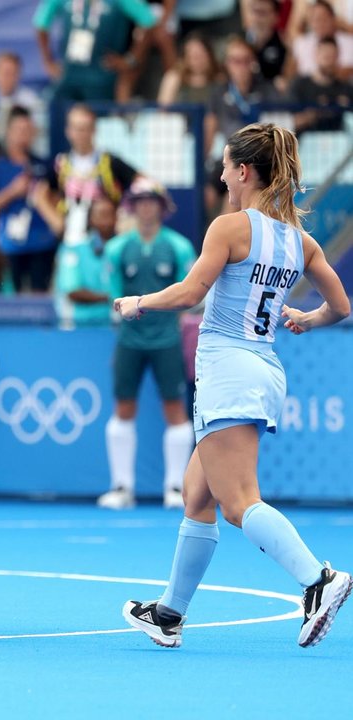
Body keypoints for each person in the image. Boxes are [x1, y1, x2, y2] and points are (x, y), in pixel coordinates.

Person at [117, 122, 351, 649]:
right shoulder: (300, 240)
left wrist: (138, 302)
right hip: (263, 369)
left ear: (243, 172)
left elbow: (190, 292)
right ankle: (170, 613)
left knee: (239, 502)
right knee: (197, 495)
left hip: (228, 368)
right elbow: (340, 307)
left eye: (225, 166)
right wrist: (305, 319)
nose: (221, 174)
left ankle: (318, 580)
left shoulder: (230, 227)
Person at [96, 180, 197, 510]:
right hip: (130, 339)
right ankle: (122, 486)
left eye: (151, 201)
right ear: (132, 206)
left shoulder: (179, 247)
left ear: (162, 206)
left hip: (168, 339)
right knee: (124, 408)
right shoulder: (118, 248)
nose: (146, 207)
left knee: (175, 410)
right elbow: (112, 292)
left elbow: (191, 294)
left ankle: (174, 488)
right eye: (139, 201)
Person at [0, 107, 56, 293]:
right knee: (11, 297)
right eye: (19, 130)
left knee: (39, 294)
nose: (23, 135)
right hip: (9, 245)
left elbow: (57, 200)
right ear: (8, 132)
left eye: (27, 130)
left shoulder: (44, 165)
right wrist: (12, 192)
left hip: (41, 241)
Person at [48, 104, 141, 247]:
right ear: (68, 131)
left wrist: (126, 215)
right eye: (77, 128)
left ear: (94, 130)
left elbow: (143, 183)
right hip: (70, 240)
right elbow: (40, 193)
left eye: (86, 128)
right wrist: (55, 220)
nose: (81, 134)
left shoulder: (109, 161)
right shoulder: (61, 164)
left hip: (106, 240)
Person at [33, 0, 157, 102]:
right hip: (69, 73)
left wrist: (131, 59)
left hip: (102, 76)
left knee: (101, 122)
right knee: (58, 114)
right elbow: (41, 23)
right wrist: (47, 61)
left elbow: (148, 21)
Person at [49, 194, 118, 328]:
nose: (106, 221)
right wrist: (113, 298)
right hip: (77, 325)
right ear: (90, 219)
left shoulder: (121, 249)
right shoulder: (72, 251)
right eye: (101, 215)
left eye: (110, 215)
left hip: (113, 326)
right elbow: (73, 292)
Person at [204, 38, 281, 159]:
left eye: (246, 60)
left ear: (253, 62)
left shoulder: (267, 90)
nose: (242, 66)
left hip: (263, 157)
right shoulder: (218, 93)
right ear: (226, 63)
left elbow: (280, 125)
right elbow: (209, 129)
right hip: (231, 157)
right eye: (236, 61)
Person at [289, 37, 353, 133]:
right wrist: (315, 113)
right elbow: (288, 122)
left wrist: (344, 109)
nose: (329, 62)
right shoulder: (300, 85)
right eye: (326, 56)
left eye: (333, 56)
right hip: (306, 142)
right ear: (316, 55)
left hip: (340, 141)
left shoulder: (346, 88)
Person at [0, 51, 45, 146]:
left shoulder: (30, 100)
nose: (9, 78)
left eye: (13, 73)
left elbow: (37, 129)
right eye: (5, 73)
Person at [158, 33, 226, 105]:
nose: (198, 61)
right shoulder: (174, 78)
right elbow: (162, 110)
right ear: (185, 58)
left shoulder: (220, 81)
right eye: (193, 56)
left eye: (201, 55)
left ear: (210, 55)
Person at [291, 1, 353, 80]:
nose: (319, 23)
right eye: (314, 19)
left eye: (323, 18)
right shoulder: (301, 43)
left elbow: (349, 70)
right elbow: (293, 72)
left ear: (333, 18)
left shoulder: (349, 43)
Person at [245, 0, 290, 88]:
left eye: (262, 13)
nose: (257, 18)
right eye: (255, 11)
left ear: (275, 17)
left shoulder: (284, 45)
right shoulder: (241, 43)